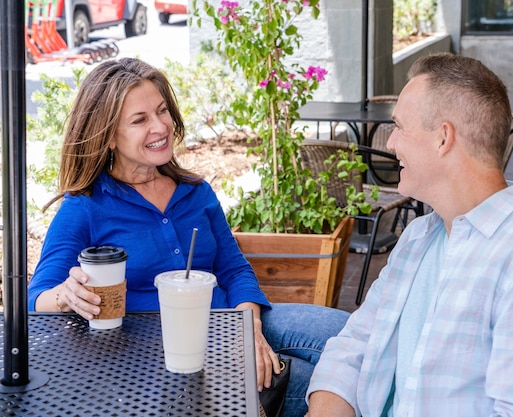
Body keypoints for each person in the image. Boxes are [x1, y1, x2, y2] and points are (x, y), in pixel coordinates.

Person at [27, 57, 349, 417]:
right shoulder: (84, 208)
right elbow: (36, 298)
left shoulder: (196, 192)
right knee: (340, 383)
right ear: (108, 138)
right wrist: (65, 296)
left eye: (162, 111)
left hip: (232, 320)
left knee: (355, 336)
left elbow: (234, 269)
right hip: (161, 357)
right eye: (139, 120)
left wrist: (249, 332)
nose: (160, 126)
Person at [306, 53, 513, 416]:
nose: (391, 144)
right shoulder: (421, 235)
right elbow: (357, 342)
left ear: (443, 138)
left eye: (400, 127)